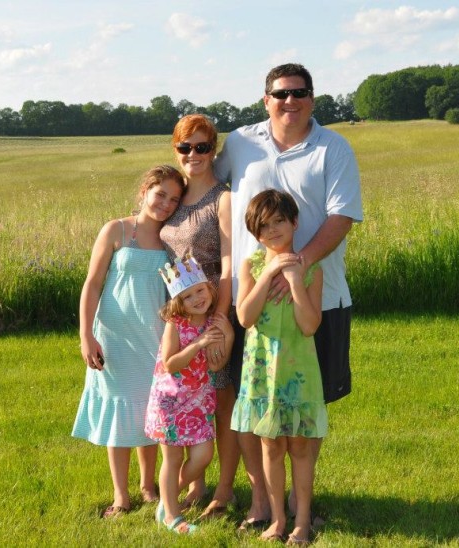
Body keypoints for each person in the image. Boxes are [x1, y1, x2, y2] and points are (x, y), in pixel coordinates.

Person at [213, 63, 363, 531]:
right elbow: (208, 180)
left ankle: (301, 507)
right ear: (266, 99)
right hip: (251, 303)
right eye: (280, 94)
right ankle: (263, 501)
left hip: (319, 297)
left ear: (312, 99)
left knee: (306, 409)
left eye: (299, 93)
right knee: (254, 406)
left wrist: (296, 264)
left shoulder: (333, 148)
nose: (289, 102)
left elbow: (341, 218)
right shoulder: (239, 142)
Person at [72, 165, 185, 518]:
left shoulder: (171, 241)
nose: (165, 203)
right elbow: (92, 283)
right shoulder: (116, 230)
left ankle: (148, 486)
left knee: (149, 411)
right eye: (160, 194)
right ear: (144, 191)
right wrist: (86, 335)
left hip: (154, 336)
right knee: (120, 413)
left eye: (174, 199)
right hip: (115, 337)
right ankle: (121, 495)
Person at [232, 190, 327, 544]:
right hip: (262, 372)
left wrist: (292, 281)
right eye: (263, 226)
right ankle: (277, 519)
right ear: (255, 233)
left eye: (279, 221)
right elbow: (244, 317)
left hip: (298, 372)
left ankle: (302, 520)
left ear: (294, 222)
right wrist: (268, 272)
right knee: (270, 448)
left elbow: (310, 325)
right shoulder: (251, 265)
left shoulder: (312, 269)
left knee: (301, 448)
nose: (272, 230)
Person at [160, 114, 239, 519]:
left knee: (220, 402)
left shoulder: (222, 199)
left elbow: (228, 264)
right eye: (185, 147)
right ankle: (194, 484)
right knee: (186, 399)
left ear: (214, 149)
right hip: (176, 318)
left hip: (211, 315)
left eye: (203, 147)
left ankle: (223, 492)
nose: (194, 155)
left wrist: (219, 321)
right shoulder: (172, 197)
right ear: (175, 149)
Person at [145, 256, 234, 534]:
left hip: (198, 401)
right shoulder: (176, 324)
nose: (196, 298)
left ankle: (168, 499)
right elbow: (171, 363)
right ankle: (172, 516)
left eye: (199, 290)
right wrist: (197, 344)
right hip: (170, 401)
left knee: (203, 455)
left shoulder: (211, 324)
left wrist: (227, 337)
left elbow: (216, 365)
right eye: (187, 296)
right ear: (178, 303)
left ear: (209, 289)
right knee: (171, 459)